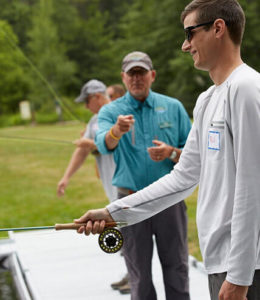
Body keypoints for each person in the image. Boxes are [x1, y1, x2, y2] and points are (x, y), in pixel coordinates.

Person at [75, 1, 260, 300]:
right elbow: (182, 178)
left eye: (190, 33)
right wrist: (112, 213)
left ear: (218, 29)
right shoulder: (206, 100)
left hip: (246, 270)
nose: (185, 45)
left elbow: (253, 186)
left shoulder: (247, 88)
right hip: (221, 263)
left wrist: (239, 275)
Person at [87, 51, 192, 299]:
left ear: (152, 75)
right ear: (123, 78)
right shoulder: (111, 112)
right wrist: (116, 131)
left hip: (169, 200)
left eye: (141, 73)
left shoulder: (173, 107)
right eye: (131, 74)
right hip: (129, 202)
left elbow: (193, 155)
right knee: (139, 274)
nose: (137, 79)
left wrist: (171, 152)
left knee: (177, 267)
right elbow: (102, 145)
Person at [57, 79, 117, 203]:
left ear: (98, 97)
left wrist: (91, 144)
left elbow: (121, 145)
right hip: (110, 187)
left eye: (87, 101)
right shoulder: (94, 120)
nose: (86, 106)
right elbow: (82, 151)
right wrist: (66, 177)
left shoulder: (119, 115)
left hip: (125, 187)